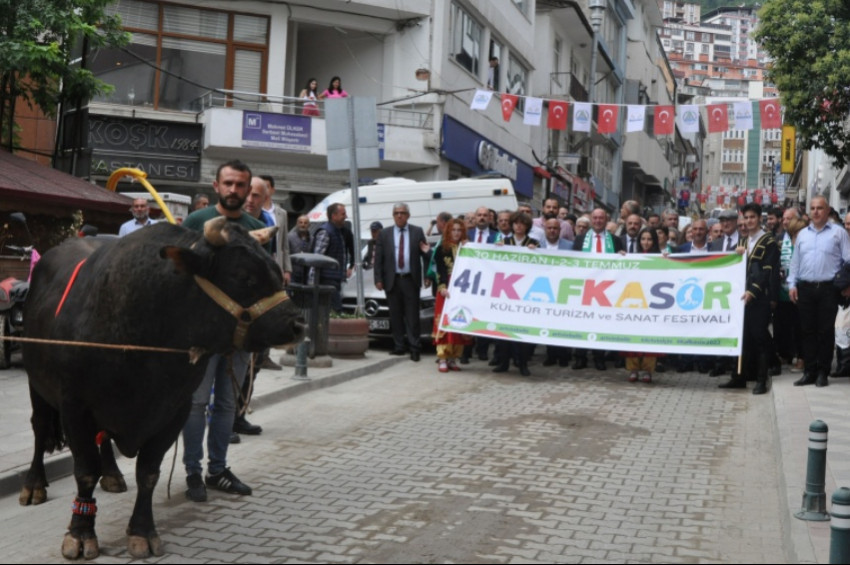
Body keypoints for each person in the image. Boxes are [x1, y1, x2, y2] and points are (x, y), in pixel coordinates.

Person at [181, 159, 266, 503]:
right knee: (197, 402)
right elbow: (182, 279)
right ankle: (192, 472)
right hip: (203, 334)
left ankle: (218, 469)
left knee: (228, 403)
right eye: (228, 183)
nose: (234, 190)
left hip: (240, 333)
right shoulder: (196, 222)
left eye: (240, 185)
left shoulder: (255, 226)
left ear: (249, 190)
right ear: (216, 186)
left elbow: (263, 283)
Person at [788, 195, 850, 387]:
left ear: (828, 210)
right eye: (813, 208)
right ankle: (810, 371)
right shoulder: (803, 235)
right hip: (805, 288)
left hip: (828, 288)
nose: (816, 212)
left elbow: (848, 259)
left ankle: (823, 371)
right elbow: (795, 262)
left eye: (820, 208)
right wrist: (792, 284)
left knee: (824, 331)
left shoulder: (838, 233)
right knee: (807, 331)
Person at [718, 203, 779, 395]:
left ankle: (762, 380)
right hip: (740, 299)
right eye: (746, 217)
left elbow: (767, 272)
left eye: (753, 217)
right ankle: (739, 377)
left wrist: (753, 291)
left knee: (759, 338)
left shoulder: (769, 242)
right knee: (742, 338)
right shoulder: (743, 243)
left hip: (759, 299)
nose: (749, 221)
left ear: (759, 218)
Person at [374, 203, 431, 361]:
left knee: (412, 316)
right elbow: (379, 259)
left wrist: (427, 275)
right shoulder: (384, 234)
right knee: (396, 315)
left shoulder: (417, 231)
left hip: (410, 280)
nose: (399, 215)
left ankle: (415, 348)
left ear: (408, 215)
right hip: (392, 280)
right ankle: (399, 346)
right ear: (393, 216)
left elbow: (425, 254)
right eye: (396, 213)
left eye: (403, 213)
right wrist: (378, 279)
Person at [572, 208, 624, 371]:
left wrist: (623, 255)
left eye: (601, 218)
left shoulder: (615, 240)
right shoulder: (580, 240)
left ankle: (599, 358)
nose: (598, 221)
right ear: (591, 220)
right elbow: (573, 262)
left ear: (606, 219)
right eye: (595, 218)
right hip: (585, 288)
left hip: (606, 289)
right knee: (582, 323)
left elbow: (621, 265)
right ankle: (580, 358)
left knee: (601, 323)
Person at [492, 212, 538, 376]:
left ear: (527, 226)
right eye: (516, 223)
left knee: (522, 331)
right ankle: (503, 362)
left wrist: (536, 252)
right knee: (504, 331)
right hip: (506, 291)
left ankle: (523, 363)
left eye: (522, 223)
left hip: (525, 293)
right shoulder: (503, 243)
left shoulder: (534, 243)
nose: (518, 226)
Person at [433, 218, 472, 372]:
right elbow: (439, 270)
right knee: (445, 321)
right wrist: (442, 287)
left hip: (463, 289)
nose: (456, 233)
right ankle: (442, 357)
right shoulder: (442, 248)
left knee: (460, 321)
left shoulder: (468, 248)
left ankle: (454, 357)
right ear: (448, 231)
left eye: (459, 230)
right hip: (447, 289)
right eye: (453, 230)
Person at [625, 227, 662, 383]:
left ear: (654, 241)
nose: (646, 243)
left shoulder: (661, 258)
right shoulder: (632, 258)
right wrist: (621, 258)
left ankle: (648, 370)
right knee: (633, 336)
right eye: (643, 239)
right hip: (635, 301)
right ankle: (633, 369)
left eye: (649, 239)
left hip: (653, 303)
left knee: (650, 337)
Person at [540, 218, 572, 368]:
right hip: (545, 291)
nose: (552, 231)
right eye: (549, 228)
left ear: (560, 231)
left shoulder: (570, 247)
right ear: (545, 229)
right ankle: (551, 355)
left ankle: (564, 356)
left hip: (564, 291)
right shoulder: (536, 246)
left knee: (562, 325)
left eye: (555, 228)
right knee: (548, 324)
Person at [311, 203, 349, 313]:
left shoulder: (337, 231)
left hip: (333, 280)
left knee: (332, 311)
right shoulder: (325, 232)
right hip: (326, 281)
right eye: (343, 214)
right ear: (334, 216)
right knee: (334, 310)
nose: (346, 217)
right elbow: (316, 258)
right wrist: (312, 283)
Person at [259, 175, 292, 288]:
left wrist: (287, 270)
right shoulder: (253, 211)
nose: (264, 190)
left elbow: (285, 245)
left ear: (273, 190)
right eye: (261, 187)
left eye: (266, 187)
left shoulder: (281, 213)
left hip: (276, 262)